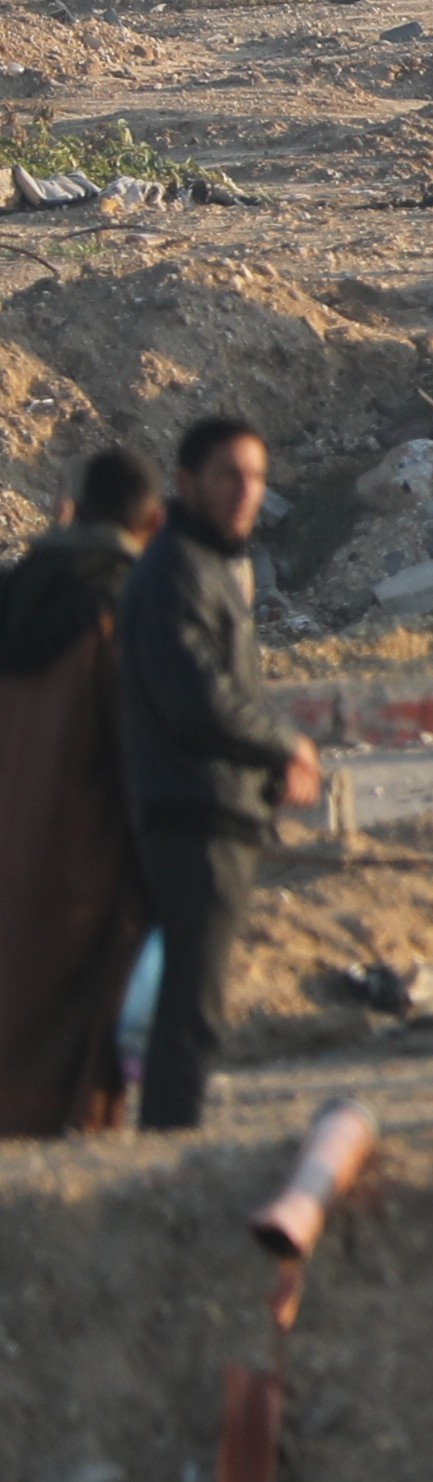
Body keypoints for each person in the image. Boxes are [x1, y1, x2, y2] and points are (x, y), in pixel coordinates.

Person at [104, 418, 305, 1136]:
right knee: (189, 1014)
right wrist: (282, 748)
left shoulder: (202, 567)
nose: (246, 492)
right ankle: (168, 1163)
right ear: (185, 483)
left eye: (256, 477)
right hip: (194, 814)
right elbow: (199, 701)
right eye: (229, 475)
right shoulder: (177, 572)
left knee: (181, 1007)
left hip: (204, 808)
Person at [0, 451, 156, 1133]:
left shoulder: (15, 589)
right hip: (82, 853)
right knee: (80, 1004)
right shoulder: (123, 603)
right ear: (151, 521)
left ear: (77, 509)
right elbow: (136, 744)